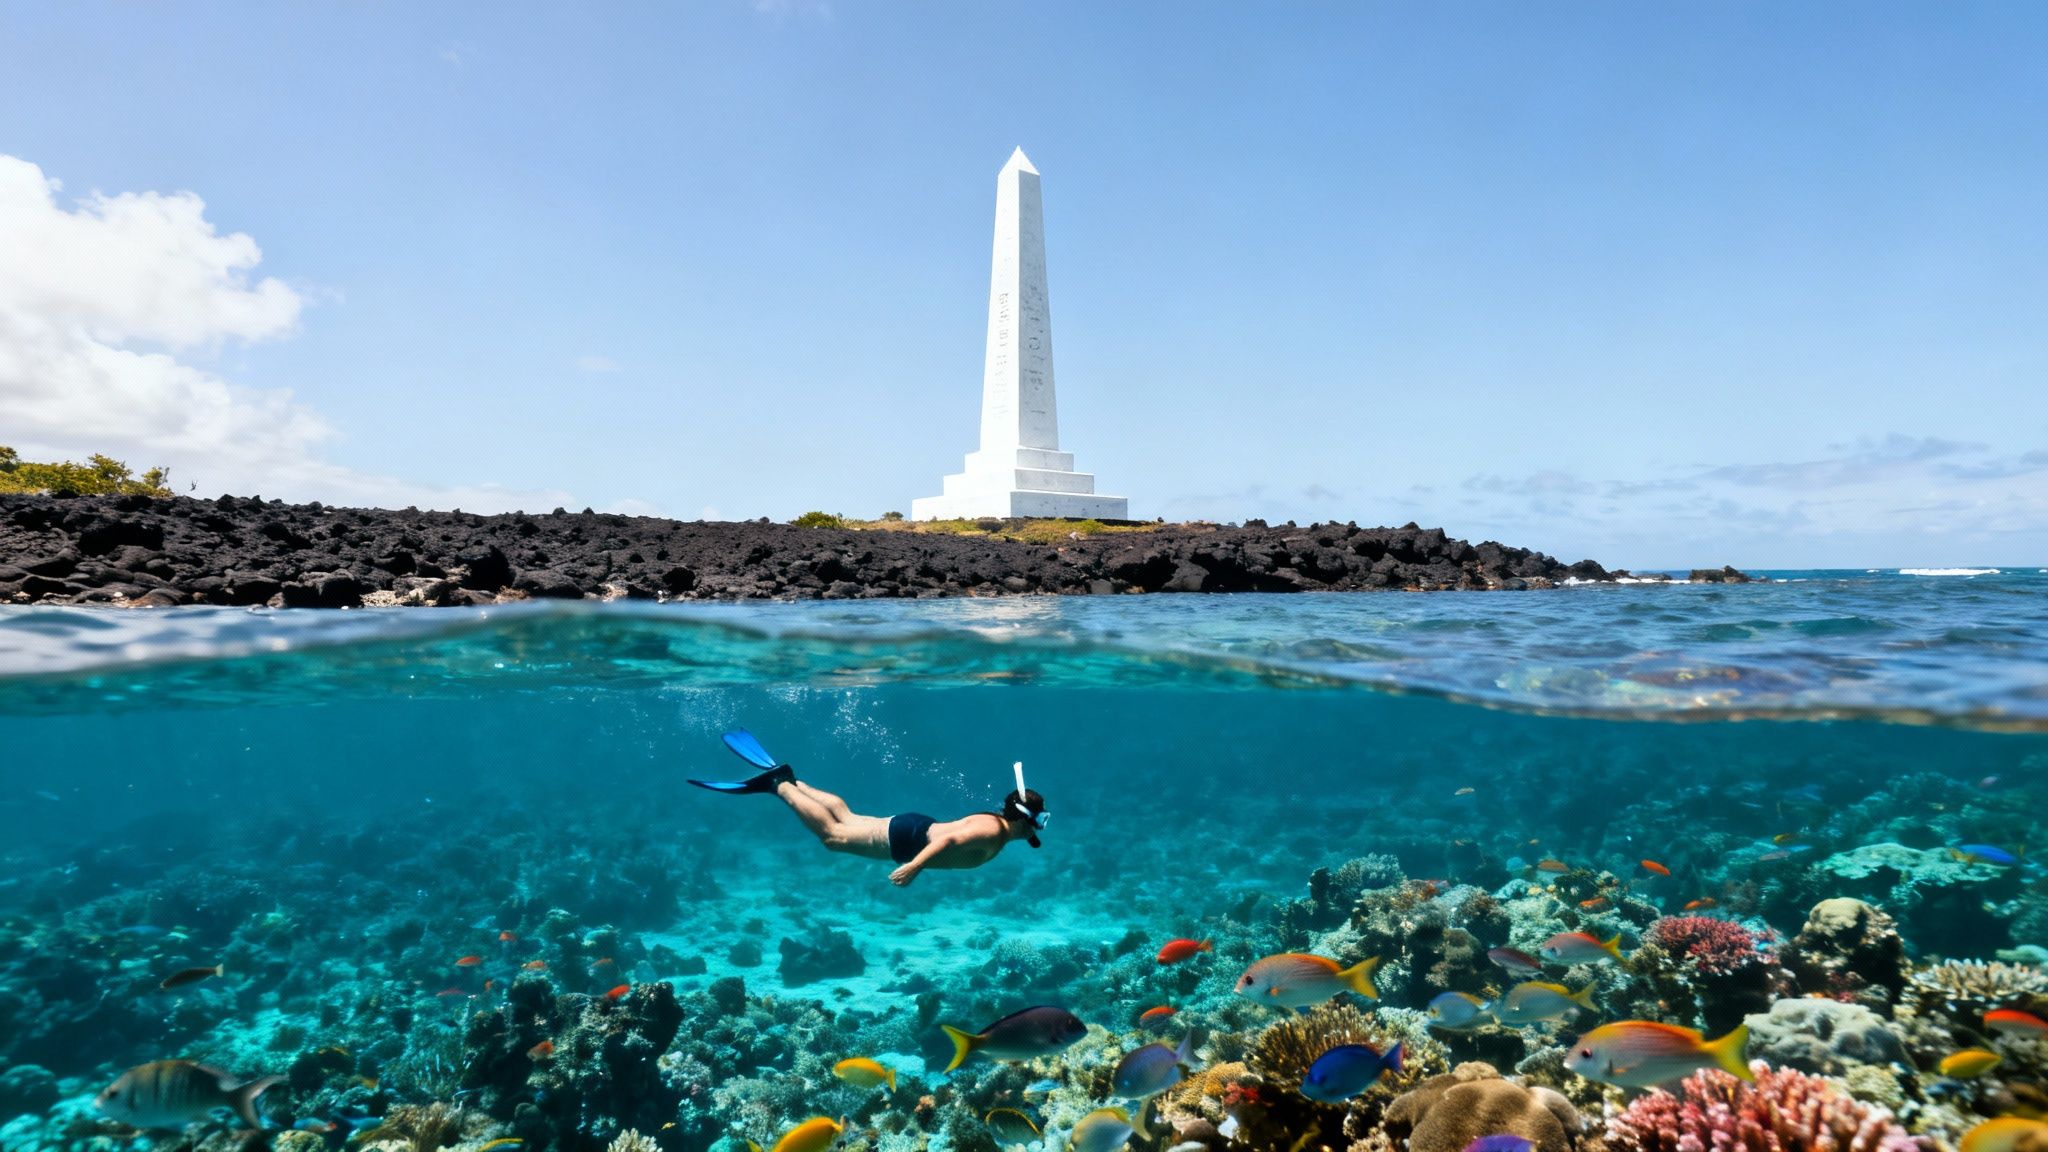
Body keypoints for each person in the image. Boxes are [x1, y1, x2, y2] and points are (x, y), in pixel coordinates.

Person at [689, 730, 1049, 887]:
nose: (1040, 829)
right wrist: (914, 867)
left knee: (847, 817)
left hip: (913, 828)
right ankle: (779, 785)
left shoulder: (998, 827)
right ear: (1027, 820)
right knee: (833, 836)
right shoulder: (993, 831)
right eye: (1041, 821)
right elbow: (952, 842)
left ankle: (791, 780)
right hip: (910, 841)